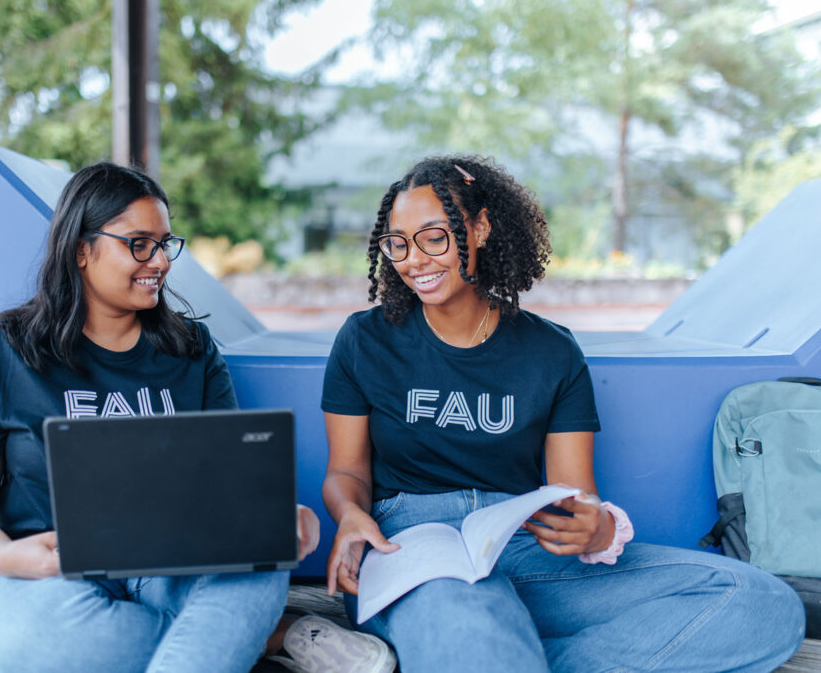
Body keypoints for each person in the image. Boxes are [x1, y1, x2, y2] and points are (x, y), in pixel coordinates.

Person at [320, 155, 806, 672]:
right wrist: (351, 515)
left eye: (434, 237)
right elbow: (347, 471)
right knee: (472, 628)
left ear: (480, 227)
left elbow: (575, 493)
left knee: (759, 603)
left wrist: (596, 530)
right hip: (412, 548)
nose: (414, 259)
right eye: (397, 242)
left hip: (522, 546)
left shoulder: (551, 352)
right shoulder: (364, 339)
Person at [0, 162, 394, 673]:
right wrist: (8, 558)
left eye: (165, 244)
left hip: (178, 563)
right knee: (45, 644)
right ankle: (264, 637)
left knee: (260, 560)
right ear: (81, 249)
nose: (160, 261)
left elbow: (231, 487)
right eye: (139, 244)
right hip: (44, 569)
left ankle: (229, 636)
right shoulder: (2, 351)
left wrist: (281, 522)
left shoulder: (192, 349)